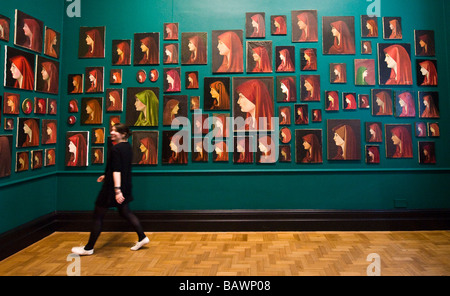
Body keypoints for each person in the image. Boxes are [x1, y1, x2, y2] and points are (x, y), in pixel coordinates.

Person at [71, 124, 148, 255]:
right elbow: (119, 168)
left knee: (98, 216)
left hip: (112, 189)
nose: (111, 132)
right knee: (125, 212)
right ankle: (142, 237)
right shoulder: (127, 147)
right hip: (125, 184)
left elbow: (117, 170)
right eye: (112, 130)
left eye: (115, 131)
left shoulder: (116, 149)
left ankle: (89, 248)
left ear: (123, 134)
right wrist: (106, 175)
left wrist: (117, 191)